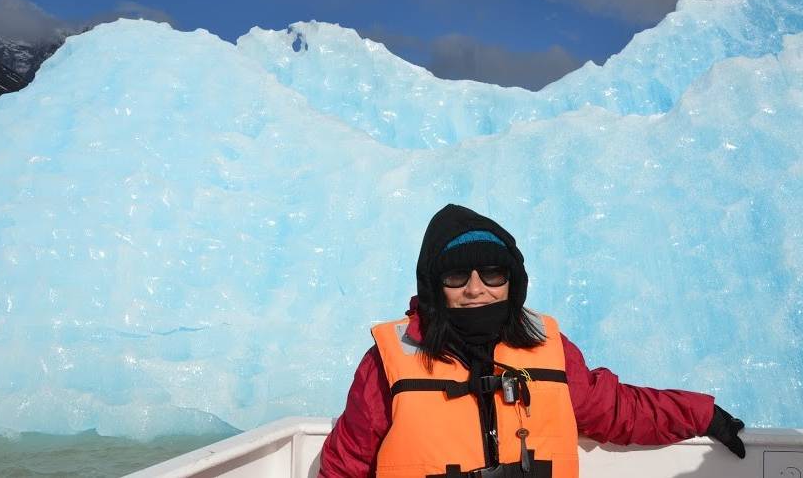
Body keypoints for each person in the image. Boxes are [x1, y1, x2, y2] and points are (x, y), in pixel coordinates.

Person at [319, 204, 745, 477]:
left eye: (492, 273)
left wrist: (700, 413)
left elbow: (615, 410)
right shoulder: (388, 363)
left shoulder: (549, 350)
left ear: (512, 283)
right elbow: (347, 462)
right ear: (435, 286)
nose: (475, 288)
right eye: (456, 276)